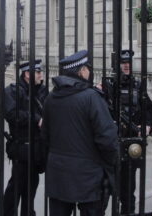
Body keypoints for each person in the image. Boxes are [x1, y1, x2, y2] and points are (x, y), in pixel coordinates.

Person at [41, 50, 119, 216]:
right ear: (82, 71)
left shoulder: (51, 98)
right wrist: (110, 163)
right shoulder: (91, 98)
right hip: (88, 177)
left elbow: (44, 137)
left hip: (58, 175)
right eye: (87, 69)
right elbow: (107, 138)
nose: (89, 72)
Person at [109, 49, 152, 215]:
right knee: (109, 185)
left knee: (129, 187)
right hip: (114, 141)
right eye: (123, 63)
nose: (126, 66)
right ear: (118, 65)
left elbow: (149, 109)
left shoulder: (137, 85)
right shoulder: (111, 85)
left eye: (128, 63)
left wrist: (147, 125)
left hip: (132, 142)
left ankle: (127, 211)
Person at [3, 59, 48, 216]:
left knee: (32, 186)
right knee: (16, 186)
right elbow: (11, 115)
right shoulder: (12, 91)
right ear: (27, 74)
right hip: (22, 147)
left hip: (37, 148)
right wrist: (36, 118)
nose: (41, 74)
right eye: (37, 72)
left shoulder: (42, 91)